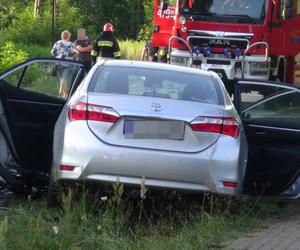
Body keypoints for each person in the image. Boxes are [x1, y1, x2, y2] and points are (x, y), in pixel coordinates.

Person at [51, 30, 78, 97]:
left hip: (58, 63)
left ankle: (65, 95)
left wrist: (58, 56)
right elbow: (75, 53)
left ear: (62, 36)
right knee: (64, 78)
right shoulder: (71, 44)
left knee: (62, 78)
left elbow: (52, 52)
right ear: (68, 36)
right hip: (68, 63)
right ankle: (60, 91)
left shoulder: (57, 43)